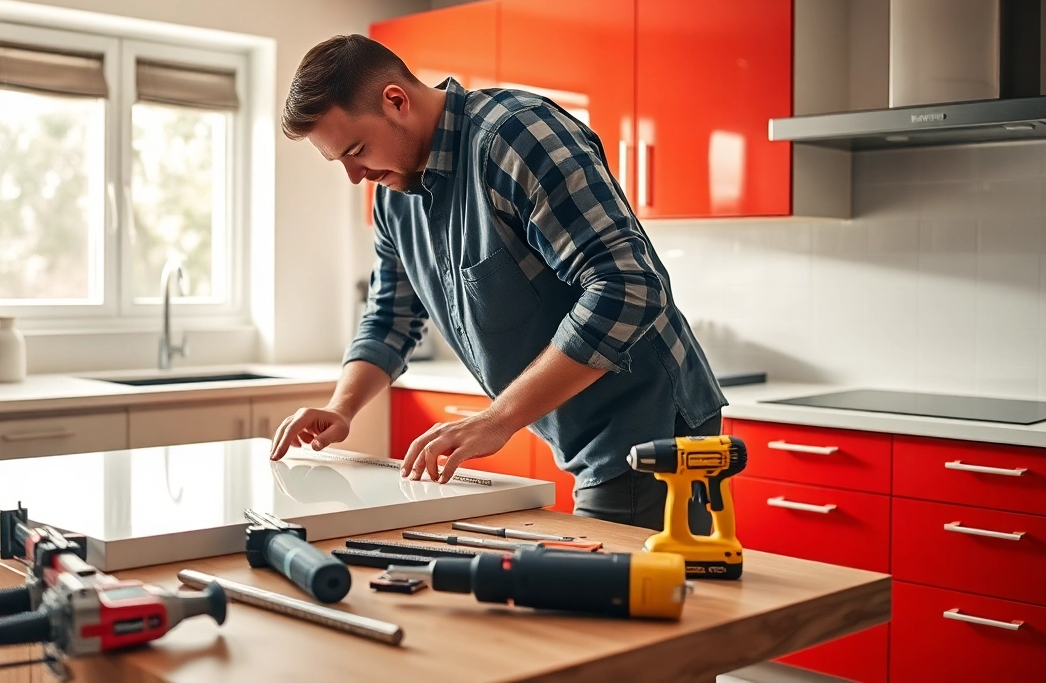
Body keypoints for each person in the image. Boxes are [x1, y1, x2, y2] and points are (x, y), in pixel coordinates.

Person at [267, 34, 725, 530]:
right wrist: (342, 408)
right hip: (580, 437)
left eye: (355, 150)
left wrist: (497, 419)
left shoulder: (517, 137)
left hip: (649, 428)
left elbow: (628, 287)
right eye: (340, 161)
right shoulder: (394, 198)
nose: (355, 176)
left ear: (395, 100)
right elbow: (390, 317)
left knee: (627, 600)